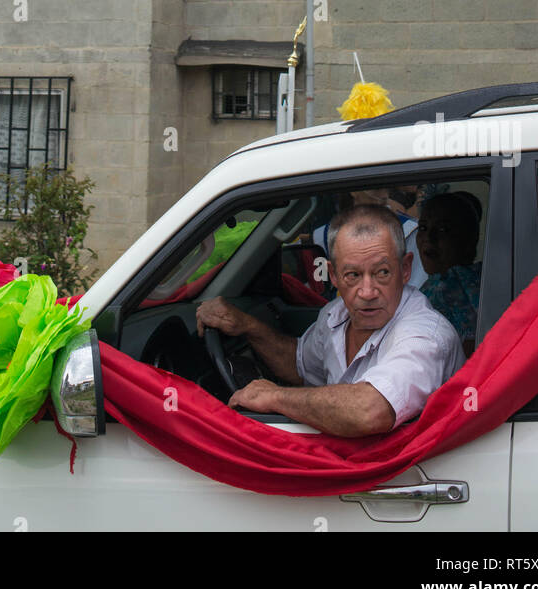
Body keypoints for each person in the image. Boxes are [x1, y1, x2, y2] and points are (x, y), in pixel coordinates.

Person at [197, 203, 464, 435]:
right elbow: (300, 365)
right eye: (352, 275)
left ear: (405, 269)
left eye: (382, 272)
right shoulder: (336, 314)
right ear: (333, 276)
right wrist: (248, 326)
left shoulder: (426, 334)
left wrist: (274, 396)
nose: (367, 292)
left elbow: (371, 410)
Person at [314, 185, 428, 288]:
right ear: (354, 192)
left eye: (386, 188)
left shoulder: (409, 231)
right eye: (376, 188)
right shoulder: (322, 237)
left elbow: (415, 286)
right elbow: (318, 287)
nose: (384, 196)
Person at [417, 192, 483, 357]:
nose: (428, 238)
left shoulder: (452, 286)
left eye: (442, 229)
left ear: (469, 240)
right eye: (423, 228)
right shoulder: (480, 279)